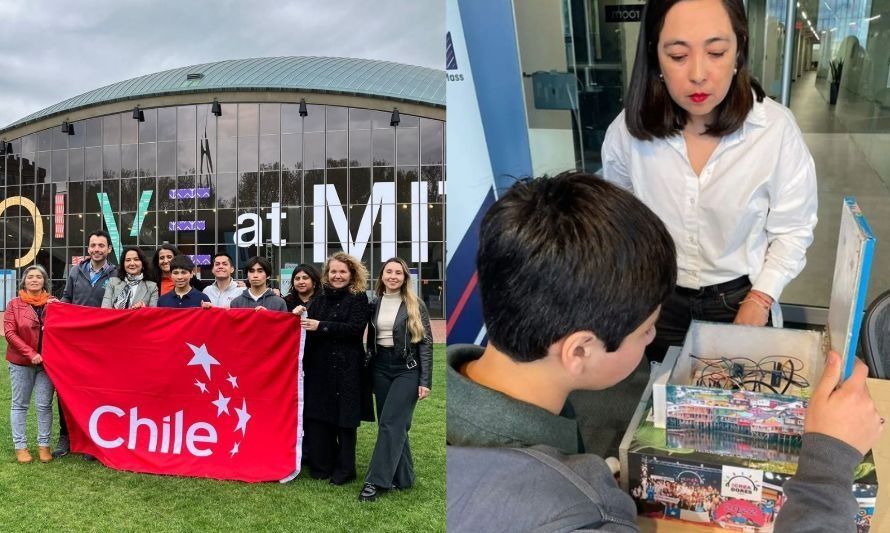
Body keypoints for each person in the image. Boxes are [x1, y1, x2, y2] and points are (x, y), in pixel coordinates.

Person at [446, 172, 884, 532]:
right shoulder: (582, 514)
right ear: (580, 349)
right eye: (647, 331)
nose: (654, 339)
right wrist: (828, 466)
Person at [601, 0, 818, 363]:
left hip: (741, 300)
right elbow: (621, 226)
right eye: (678, 55)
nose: (699, 74)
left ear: (738, 51)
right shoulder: (628, 133)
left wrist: (761, 300)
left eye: (716, 52)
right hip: (657, 302)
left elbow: (794, 229)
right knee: (658, 405)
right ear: (655, 57)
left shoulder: (774, 130)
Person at [359, 257, 433, 502]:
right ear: (381, 276)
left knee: (391, 423)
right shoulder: (374, 303)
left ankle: (375, 481)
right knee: (392, 424)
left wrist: (425, 380)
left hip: (407, 370)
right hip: (380, 368)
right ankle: (404, 477)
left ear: (404, 278)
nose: (393, 276)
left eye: (398, 273)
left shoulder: (414, 304)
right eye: (388, 272)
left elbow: (425, 344)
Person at [301, 252, 371, 485]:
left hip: (347, 368)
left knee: (344, 421)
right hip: (319, 368)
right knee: (320, 417)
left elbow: (353, 329)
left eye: (342, 271)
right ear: (327, 274)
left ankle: (345, 469)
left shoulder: (358, 298)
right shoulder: (319, 299)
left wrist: (321, 326)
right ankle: (322, 465)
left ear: (351, 274)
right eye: (333, 271)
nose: (337, 276)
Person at [55, 229, 117, 458]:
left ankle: (93, 438)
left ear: (109, 249)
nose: (97, 249)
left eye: (101, 245)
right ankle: (65, 436)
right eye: (93, 245)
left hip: (103, 344)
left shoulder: (116, 274)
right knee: (66, 388)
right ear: (88, 248)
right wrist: (56, 311)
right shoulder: (75, 271)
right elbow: (67, 300)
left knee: (98, 391)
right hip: (75, 344)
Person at [5, 265, 57, 463]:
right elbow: (10, 333)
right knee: (20, 405)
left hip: (47, 364)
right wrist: (30, 354)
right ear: (24, 281)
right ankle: (21, 447)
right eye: (30, 277)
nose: (34, 280)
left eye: (38, 277)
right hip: (21, 363)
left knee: (44, 405)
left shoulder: (52, 303)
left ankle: (44, 445)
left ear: (44, 281)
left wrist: (59, 307)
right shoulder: (14, 304)